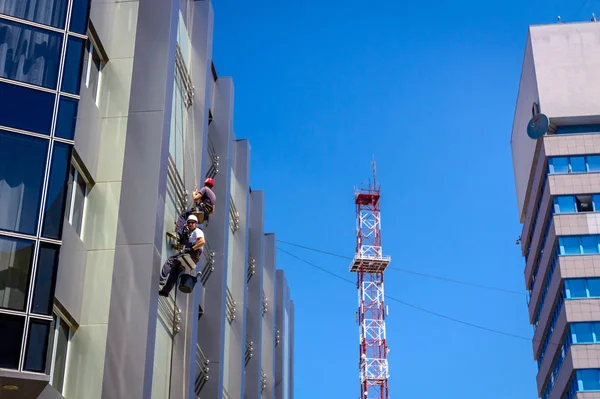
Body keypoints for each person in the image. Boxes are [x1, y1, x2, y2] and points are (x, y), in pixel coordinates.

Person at [159, 215, 204, 297]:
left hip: (191, 254)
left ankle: (162, 278)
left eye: (193, 222)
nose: (191, 224)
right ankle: (165, 291)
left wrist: (192, 248)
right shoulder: (190, 233)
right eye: (189, 222)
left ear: (196, 223)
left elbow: (202, 241)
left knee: (171, 260)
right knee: (175, 271)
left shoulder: (197, 231)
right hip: (192, 259)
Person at [174, 177, 216, 243]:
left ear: (205, 183)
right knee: (190, 222)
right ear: (212, 186)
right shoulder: (214, 196)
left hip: (201, 209)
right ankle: (183, 239)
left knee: (183, 216)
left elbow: (195, 198)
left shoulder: (205, 189)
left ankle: (178, 233)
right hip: (205, 215)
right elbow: (212, 211)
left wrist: (194, 193)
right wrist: (204, 214)